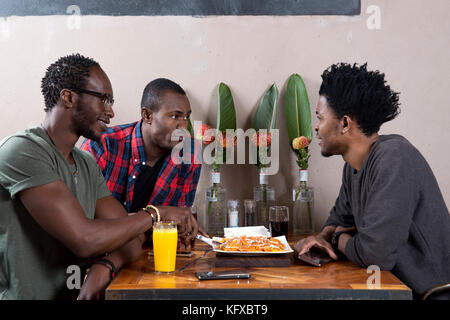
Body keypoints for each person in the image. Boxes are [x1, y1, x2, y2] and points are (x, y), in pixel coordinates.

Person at [0, 54, 199, 300]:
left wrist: (108, 265)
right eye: (104, 100)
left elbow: (129, 238)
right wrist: (156, 213)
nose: (111, 112)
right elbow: (85, 239)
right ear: (68, 97)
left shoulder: (85, 163)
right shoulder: (22, 150)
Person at [294, 63, 450, 299]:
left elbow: (376, 256)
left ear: (345, 123)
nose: (316, 127)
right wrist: (321, 239)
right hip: (390, 289)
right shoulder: (353, 166)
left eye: (320, 118)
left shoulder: (394, 159)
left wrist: (338, 238)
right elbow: (338, 219)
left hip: (428, 294)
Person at [80, 78, 201, 217]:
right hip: (104, 238)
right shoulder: (103, 145)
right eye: (174, 116)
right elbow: (82, 219)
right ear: (147, 115)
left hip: (160, 239)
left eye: (186, 117)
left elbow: (180, 220)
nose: (183, 126)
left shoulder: (189, 151)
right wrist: (155, 216)